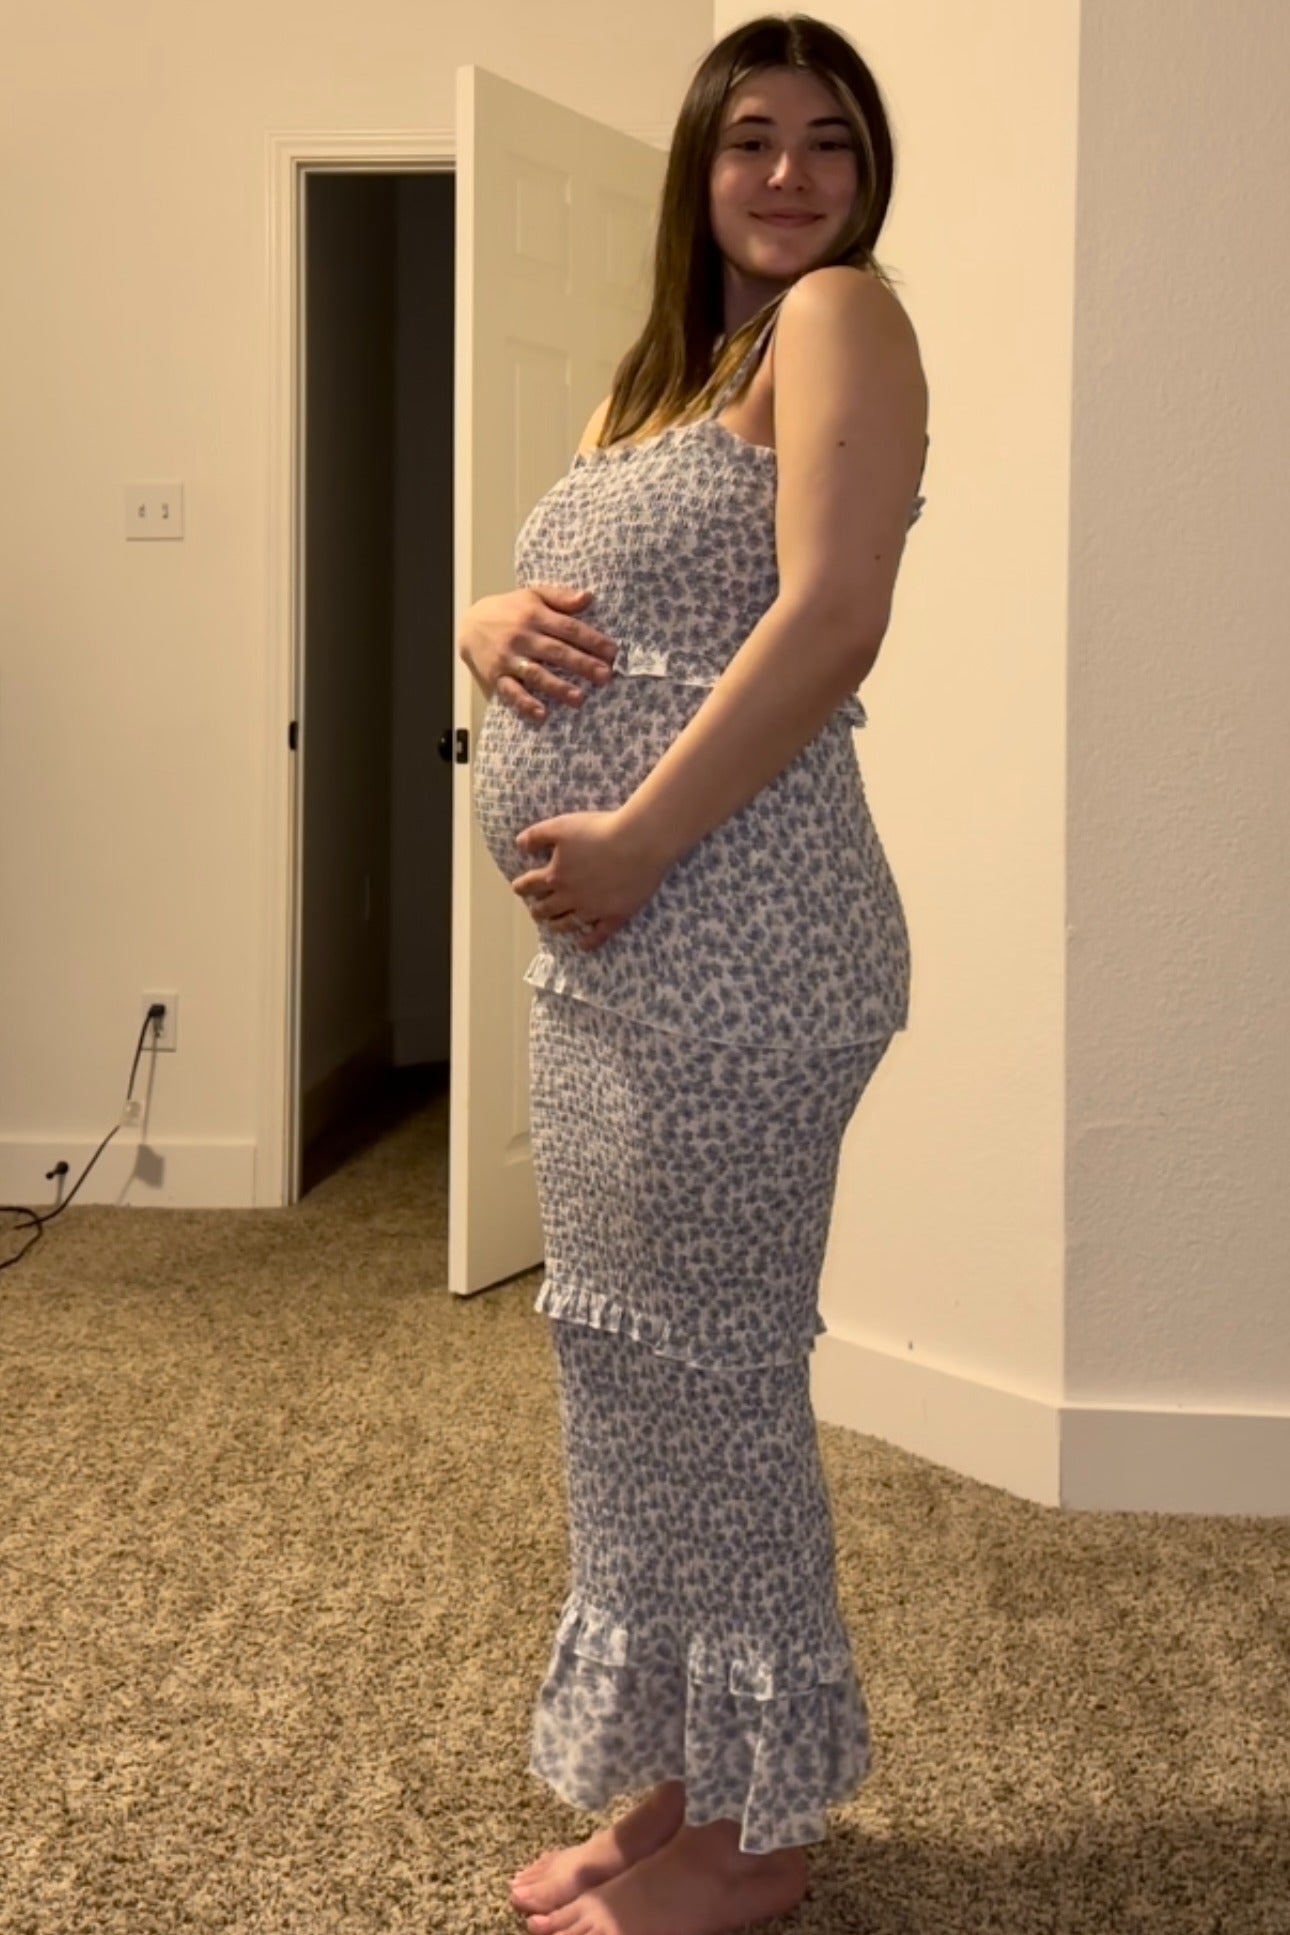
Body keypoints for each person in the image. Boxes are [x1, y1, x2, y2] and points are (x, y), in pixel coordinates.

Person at [460, 15, 928, 1935]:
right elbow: (606, 605)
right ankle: (679, 1790)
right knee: (626, 1374)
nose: (790, 176)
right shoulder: (667, 373)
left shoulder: (841, 317)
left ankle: (757, 1840)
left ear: (865, 176)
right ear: (696, 165)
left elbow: (831, 616)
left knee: (714, 1385)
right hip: (618, 972)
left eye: (830, 141)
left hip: (744, 936)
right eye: (751, 139)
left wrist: (640, 837)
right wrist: (481, 616)